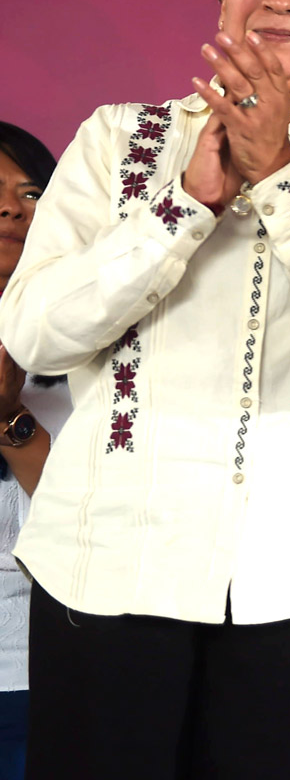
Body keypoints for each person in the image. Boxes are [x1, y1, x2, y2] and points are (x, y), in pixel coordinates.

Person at [0, 0, 290, 779]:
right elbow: (34, 334)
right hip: (109, 566)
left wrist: (283, 185)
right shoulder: (119, 142)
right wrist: (181, 207)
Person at [0, 124, 68, 776]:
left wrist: (9, 420)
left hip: (35, 670)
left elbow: (87, 523)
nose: (10, 208)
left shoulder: (89, 352)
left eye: (30, 191)